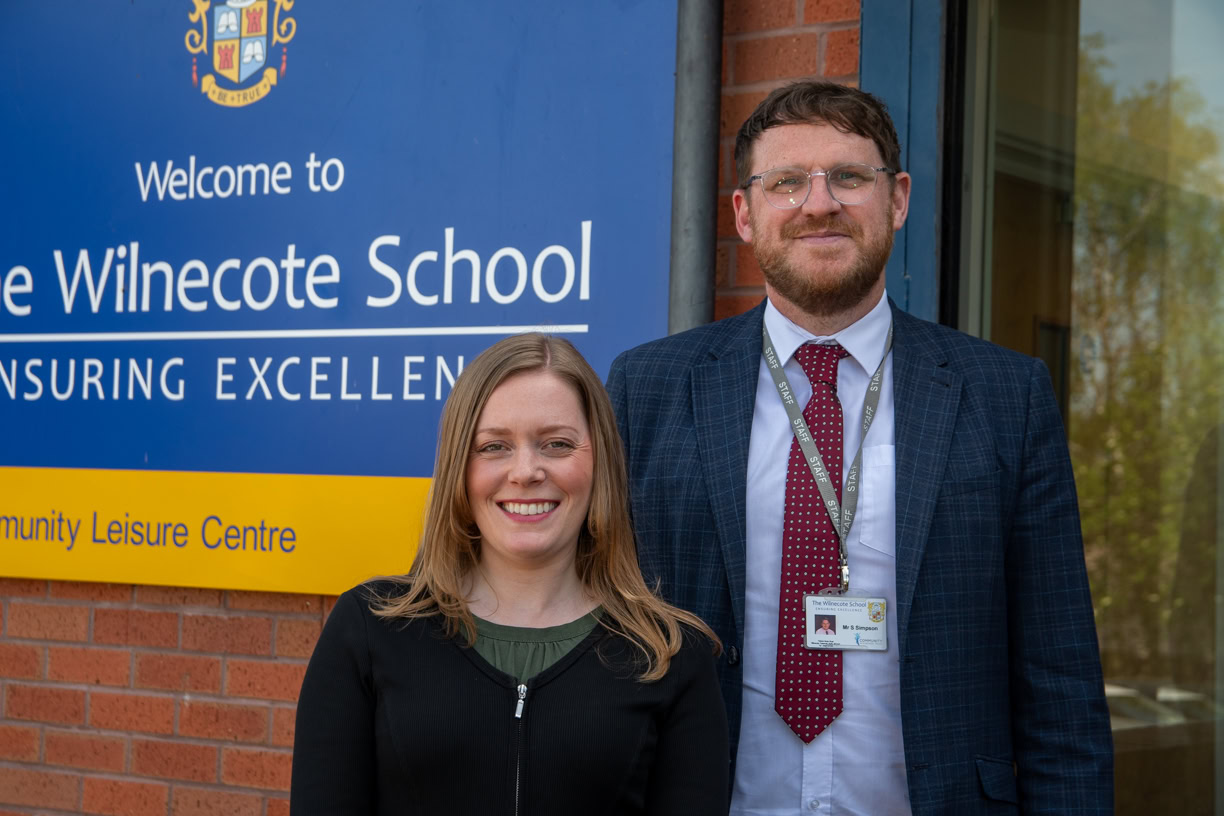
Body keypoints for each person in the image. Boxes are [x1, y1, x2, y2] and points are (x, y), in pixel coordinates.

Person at [607, 80, 1112, 814]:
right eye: (786, 182)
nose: (819, 204)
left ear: (897, 199)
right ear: (744, 213)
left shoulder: (1007, 395)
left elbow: (1060, 682)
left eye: (848, 176)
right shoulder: (648, 387)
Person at [292, 334, 729, 815]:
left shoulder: (669, 654)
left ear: (600, 461)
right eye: (494, 446)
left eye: (557, 444)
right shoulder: (369, 630)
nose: (525, 471)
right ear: (459, 468)